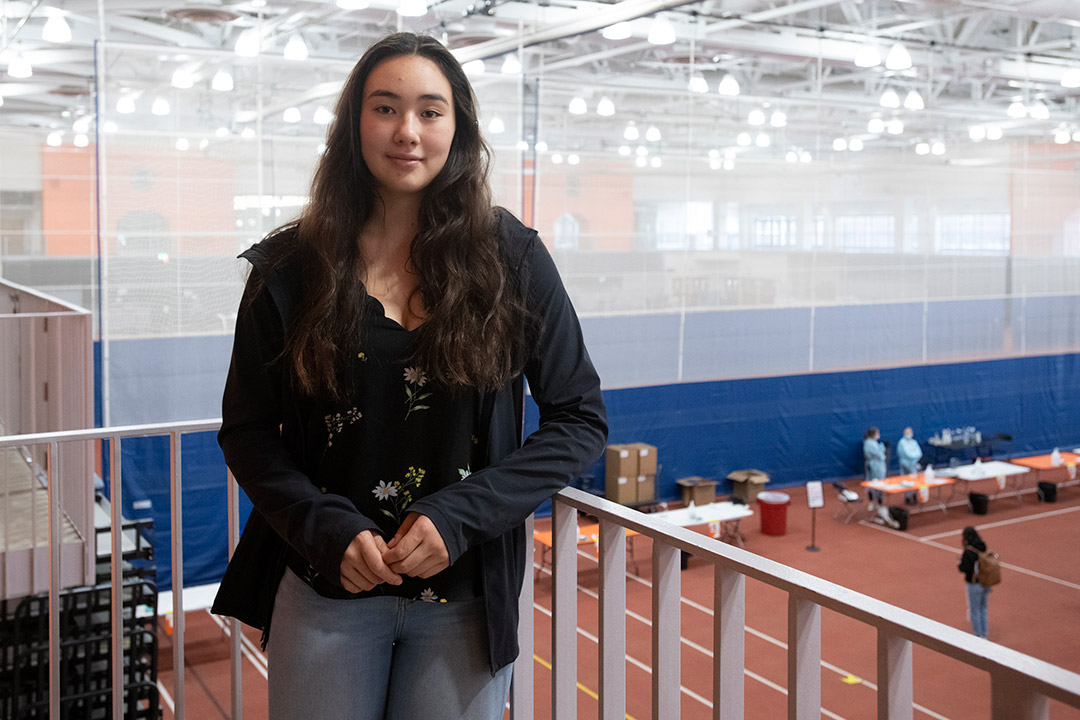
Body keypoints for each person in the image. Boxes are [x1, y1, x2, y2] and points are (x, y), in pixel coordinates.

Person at [210, 32, 607, 720]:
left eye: (430, 111)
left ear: (458, 129)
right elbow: (248, 433)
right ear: (354, 124)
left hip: (463, 601)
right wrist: (325, 526)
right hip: (326, 589)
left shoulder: (510, 259)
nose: (407, 132)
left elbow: (580, 418)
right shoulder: (287, 271)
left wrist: (459, 516)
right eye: (385, 108)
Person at [958, 526, 991, 638]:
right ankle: (985, 632)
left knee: (974, 609)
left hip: (974, 584)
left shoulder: (968, 552)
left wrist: (960, 562)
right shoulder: (982, 546)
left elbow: (963, 568)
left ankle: (978, 635)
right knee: (983, 608)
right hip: (985, 582)